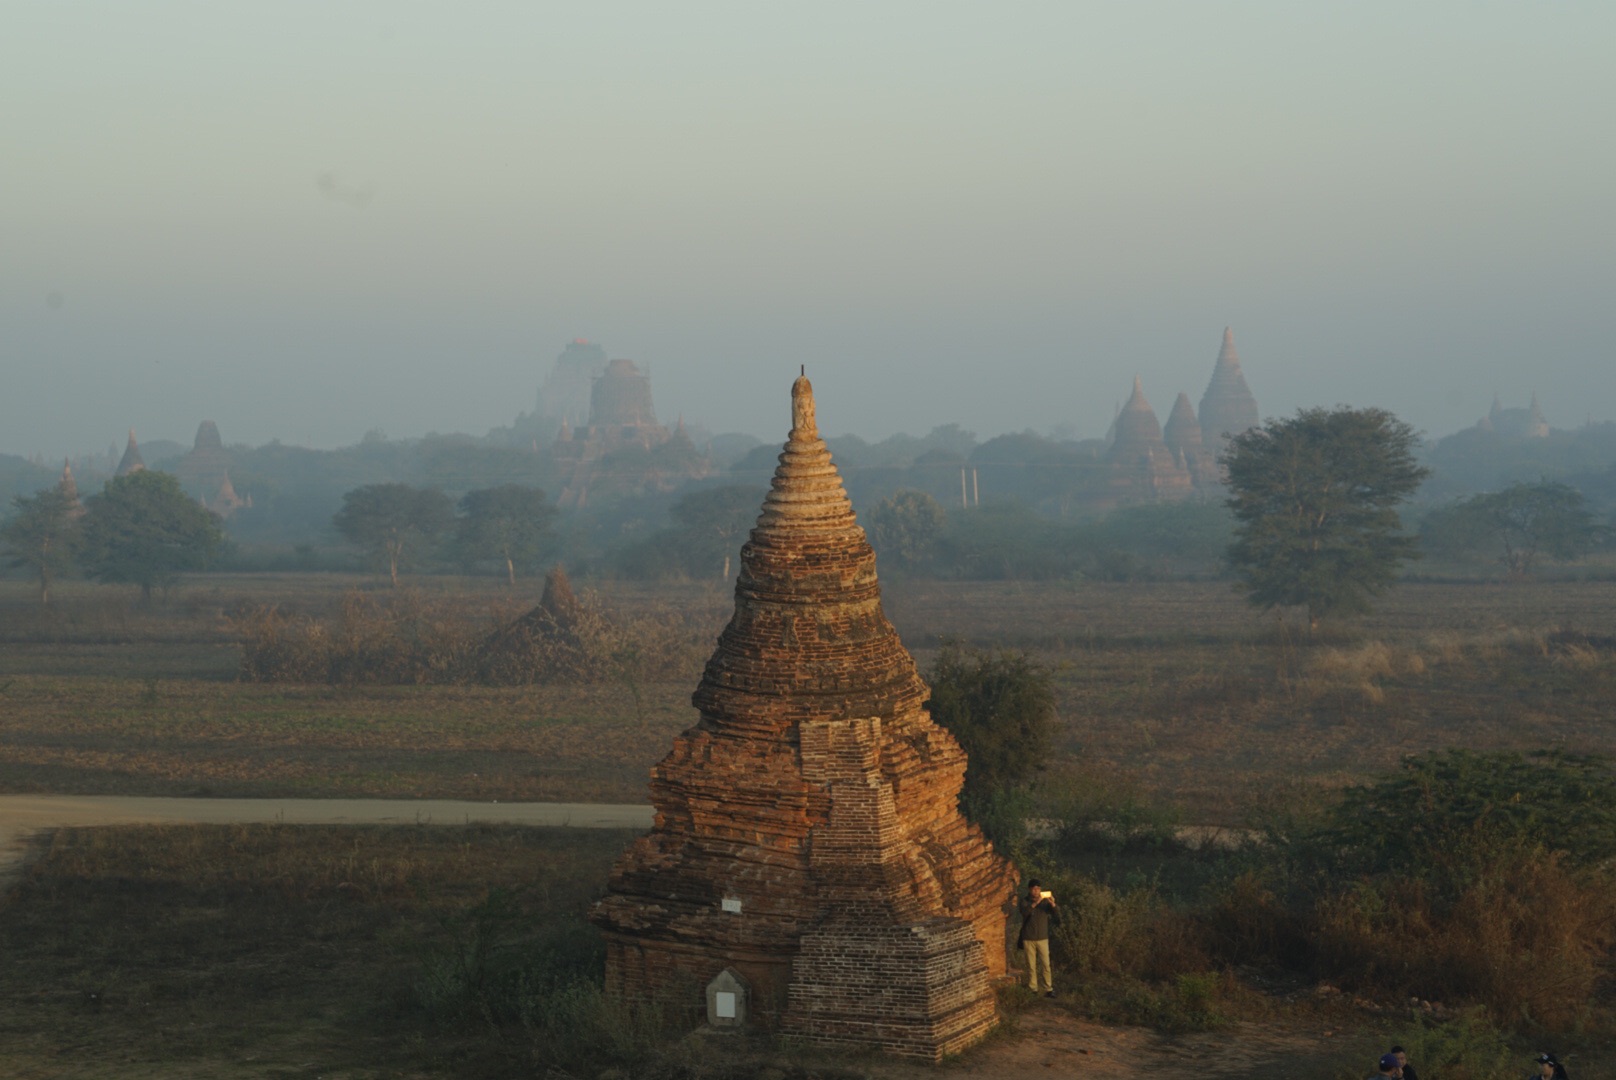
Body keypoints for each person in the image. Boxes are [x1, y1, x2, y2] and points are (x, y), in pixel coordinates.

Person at [1017, 879, 1059, 998]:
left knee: (1046, 964)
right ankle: (1033, 988)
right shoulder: (1025, 901)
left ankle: (1048, 988)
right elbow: (1025, 912)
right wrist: (1036, 903)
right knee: (1031, 965)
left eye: (1038, 889)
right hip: (1028, 937)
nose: (1037, 891)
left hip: (1042, 938)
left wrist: (1053, 904)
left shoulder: (1045, 903)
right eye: (1035, 889)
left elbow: (1056, 914)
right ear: (1030, 889)